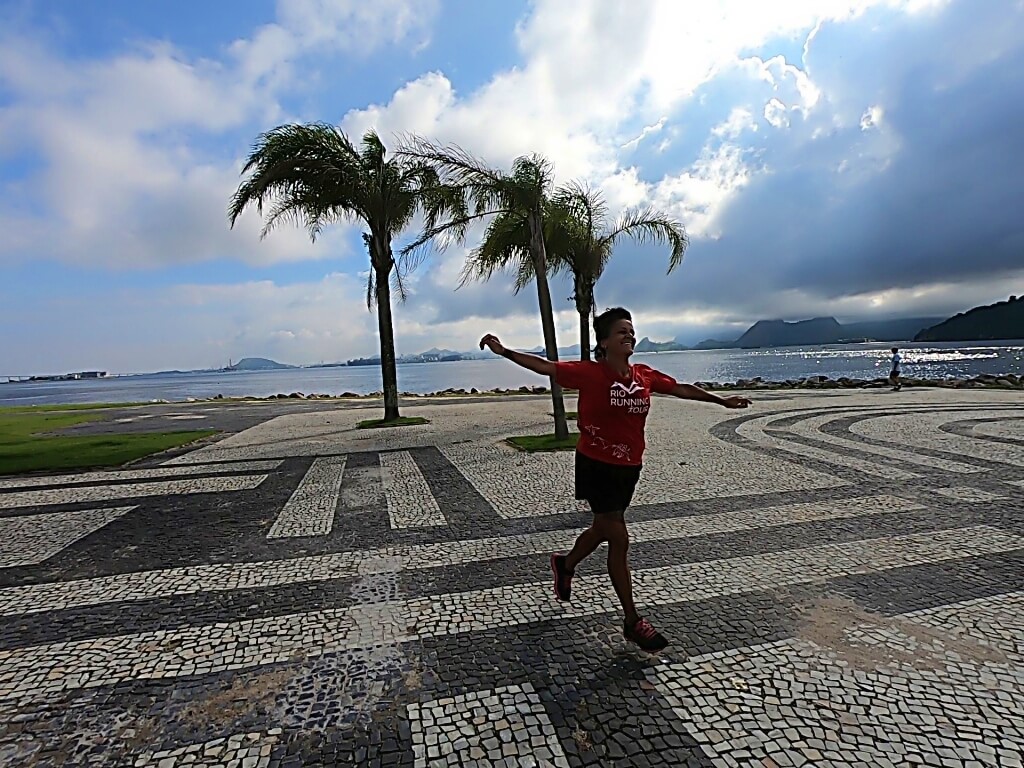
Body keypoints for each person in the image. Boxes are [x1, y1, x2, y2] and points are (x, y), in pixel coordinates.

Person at [479, 307, 752, 652]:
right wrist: (505, 352)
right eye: (621, 331)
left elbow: (680, 388)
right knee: (618, 538)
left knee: (602, 529)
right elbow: (546, 367)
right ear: (604, 342)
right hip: (596, 463)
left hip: (629, 467)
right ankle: (632, 621)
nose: (629, 336)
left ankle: (565, 564)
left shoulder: (644, 375)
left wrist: (721, 401)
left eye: (632, 331)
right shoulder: (589, 373)